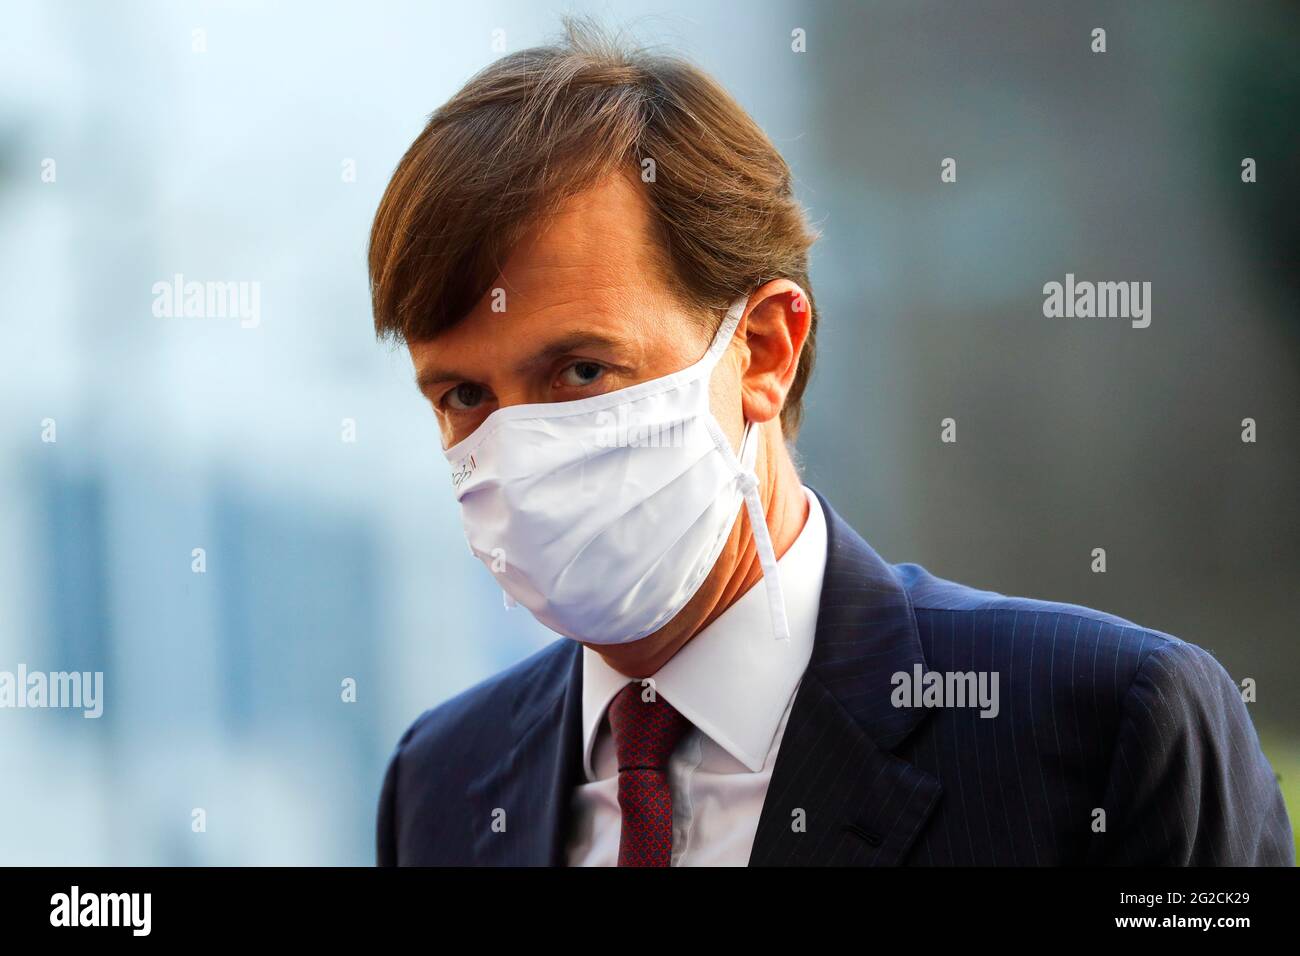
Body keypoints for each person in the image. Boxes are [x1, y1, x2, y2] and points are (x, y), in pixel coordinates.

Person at [369, 21, 1292, 866]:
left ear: (764, 349)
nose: (521, 445)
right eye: (462, 394)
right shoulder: (442, 785)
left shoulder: (1099, 730)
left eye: (580, 372)